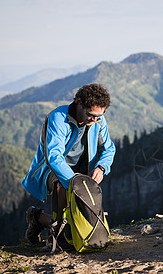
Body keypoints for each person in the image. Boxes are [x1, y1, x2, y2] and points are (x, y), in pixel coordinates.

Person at [21, 83, 116, 245]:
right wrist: (73, 183)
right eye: (91, 114)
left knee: (80, 208)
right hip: (52, 168)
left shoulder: (98, 121)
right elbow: (54, 156)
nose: (95, 119)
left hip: (83, 168)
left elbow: (109, 149)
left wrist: (101, 167)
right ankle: (57, 237)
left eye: (99, 115)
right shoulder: (58, 117)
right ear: (80, 103)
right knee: (62, 187)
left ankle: (37, 218)